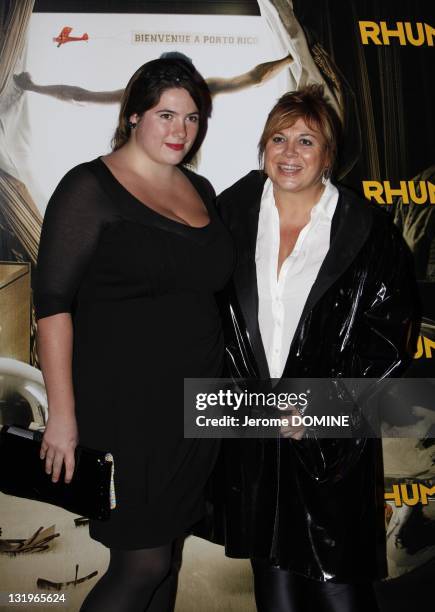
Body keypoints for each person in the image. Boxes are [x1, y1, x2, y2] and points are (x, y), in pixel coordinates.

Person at [204, 85, 420, 612]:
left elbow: (390, 334)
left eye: (306, 141)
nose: (290, 153)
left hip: (330, 437)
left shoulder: (367, 230)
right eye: (279, 138)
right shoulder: (228, 215)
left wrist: (324, 406)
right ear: (263, 147)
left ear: (328, 155)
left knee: (340, 592)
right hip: (255, 434)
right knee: (275, 593)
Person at [34, 57, 234, 612]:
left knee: (166, 555)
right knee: (141, 562)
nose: (180, 131)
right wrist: (63, 416)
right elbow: (52, 306)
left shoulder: (202, 188)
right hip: (126, 412)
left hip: (194, 411)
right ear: (132, 116)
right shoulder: (88, 188)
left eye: (193, 118)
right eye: (166, 114)